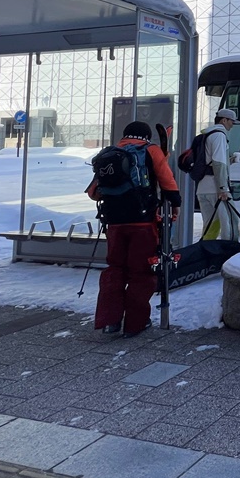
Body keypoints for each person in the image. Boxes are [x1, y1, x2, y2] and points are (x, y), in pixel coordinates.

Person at [87, 121, 180, 338]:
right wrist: (175, 203)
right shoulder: (151, 150)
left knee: (115, 270)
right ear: (146, 136)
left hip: (114, 224)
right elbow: (168, 182)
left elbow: (93, 192)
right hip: (143, 223)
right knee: (141, 272)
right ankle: (135, 323)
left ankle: (110, 321)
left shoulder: (110, 153)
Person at [196, 108, 237, 241]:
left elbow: (211, 162)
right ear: (224, 120)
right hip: (216, 189)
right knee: (230, 222)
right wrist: (222, 189)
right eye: (232, 121)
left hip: (203, 188)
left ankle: (207, 251)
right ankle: (230, 251)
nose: (233, 125)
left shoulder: (207, 135)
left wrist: (231, 160)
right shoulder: (220, 135)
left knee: (210, 225)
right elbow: (218, 163)